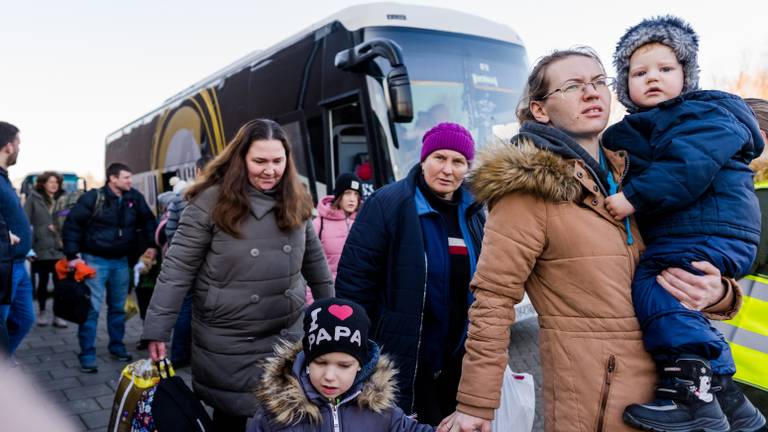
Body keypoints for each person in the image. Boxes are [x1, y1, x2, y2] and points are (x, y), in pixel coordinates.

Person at [436, 47, 745, 432]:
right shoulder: (528, 193)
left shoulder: (643, 177)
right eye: (573, 86)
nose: (592, 92)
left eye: (599, 81)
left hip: (677, 400)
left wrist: (720, 294)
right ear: (540, 110)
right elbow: (493, 300)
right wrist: (476, 405)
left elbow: (690, 251)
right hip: (598, 406)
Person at [601, 16, 765, 431]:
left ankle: (694, 399)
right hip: (704, 230)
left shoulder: (697, 115)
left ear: (687, 76)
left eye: (665, 69)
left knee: (654, 284)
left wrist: (631, 197)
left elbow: (685, 168)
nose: (652, 78)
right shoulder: (655, 125)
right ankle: (727, 398)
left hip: (702, 229)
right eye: (640, 73)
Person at [142, 118, 334, 432]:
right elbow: (177, 269)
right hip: (229, 337)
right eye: (259, 161)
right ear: (240, 159)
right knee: (231, 417)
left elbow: (316, 265)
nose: (270, 170)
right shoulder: (209, 202)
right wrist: (157, 329)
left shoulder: (297, 197)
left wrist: (335, 314)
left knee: (286, 418)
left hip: (285, 332)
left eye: (277, 161)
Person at [335, 122, 485, 424]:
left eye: (458, 162)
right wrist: (358, 350)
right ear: (423, 159)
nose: (448, 169)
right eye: (439, 158)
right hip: (404, 357)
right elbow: (355, 284)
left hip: (458, 359)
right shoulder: (388, 204)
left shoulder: (473, 211)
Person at [247, 298, 435, 432]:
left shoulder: (381, 411)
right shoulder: (277, 413)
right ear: (307, 359)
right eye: (320, 362)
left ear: (361, 365)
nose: (329, 375)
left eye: (344, 366)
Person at [61, 162, 157, 373]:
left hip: (121, 262)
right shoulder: (93, 198)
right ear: (112, 179)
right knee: (92, 310)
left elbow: (149, 221)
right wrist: (72, 256)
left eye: (130, 178)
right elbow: (72, 225)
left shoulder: (134, 197)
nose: (130, 182)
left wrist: (151, 245)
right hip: (94, 260)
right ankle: (87, 353)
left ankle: (117, 346)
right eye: (126, 178)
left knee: (117, 308)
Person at [164, 155, 211, 366]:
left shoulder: (182, 196)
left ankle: (180, 356)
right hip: (215, 265)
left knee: (184, 307)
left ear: (197, 171)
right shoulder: (229, 198)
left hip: (188, 262)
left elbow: (170, 231)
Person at [0, 121, 35, 357]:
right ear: (8, 146)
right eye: (18, 143)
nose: (19, 148)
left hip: (19, 263)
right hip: (5, 266)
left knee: (23, 320)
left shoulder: (4, 177)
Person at [24, 171, 67, 328]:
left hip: (59, 248)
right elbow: (24, 221)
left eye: (56, 182)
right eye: (50, 182)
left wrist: (59, 227)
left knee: (60, 284)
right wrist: (28, 246)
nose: (54, 184)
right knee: (42, 282)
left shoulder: (64, 198)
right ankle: (42, 313)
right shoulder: (33, 198)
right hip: (40, 248)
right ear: (43, 184)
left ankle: (58, 315)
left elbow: (70, 217)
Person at [313, 172, 362, 281]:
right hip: (327, 293)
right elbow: (307, 265)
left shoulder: (364, 223)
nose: (352, 199)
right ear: (339, 196)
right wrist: (312, 297)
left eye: (356, 194)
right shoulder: (318, 224)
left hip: (356, 293)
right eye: (347, 193)